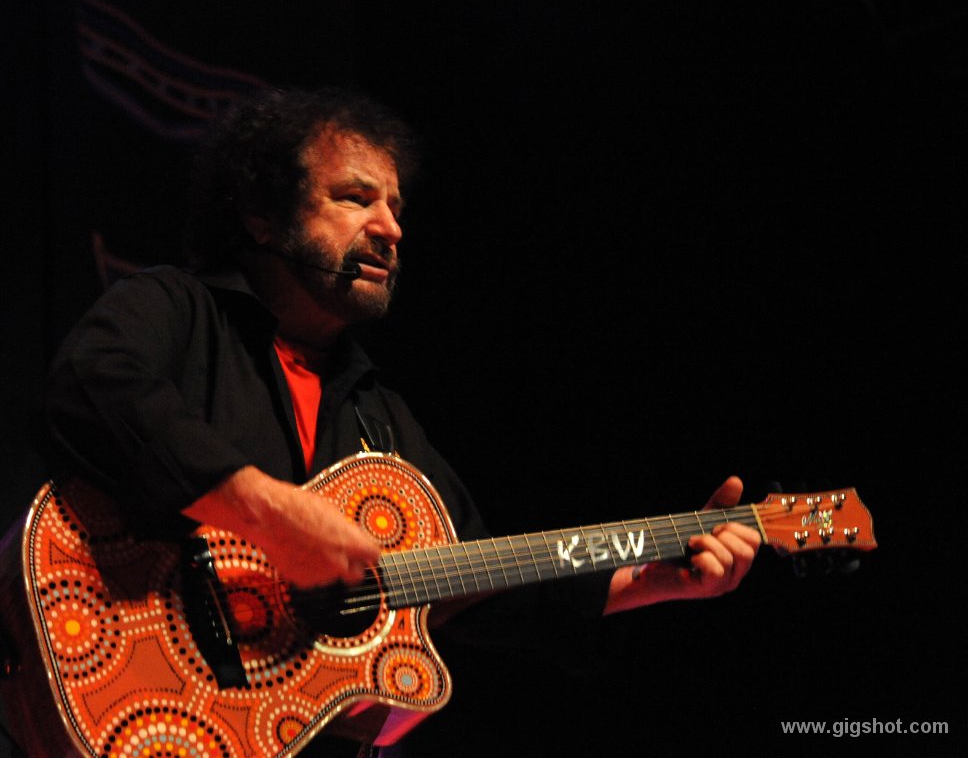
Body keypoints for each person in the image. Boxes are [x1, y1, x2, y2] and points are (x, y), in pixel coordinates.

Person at [37, 86, 761, 757]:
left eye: (394, 206)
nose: (391, 228)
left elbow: (471, 578)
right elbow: (91, 386)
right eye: (355, 198)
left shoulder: (377, 413)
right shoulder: (179, 310)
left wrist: (654, 580)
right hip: (118, 673)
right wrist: (271, 512)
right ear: (262, 215)